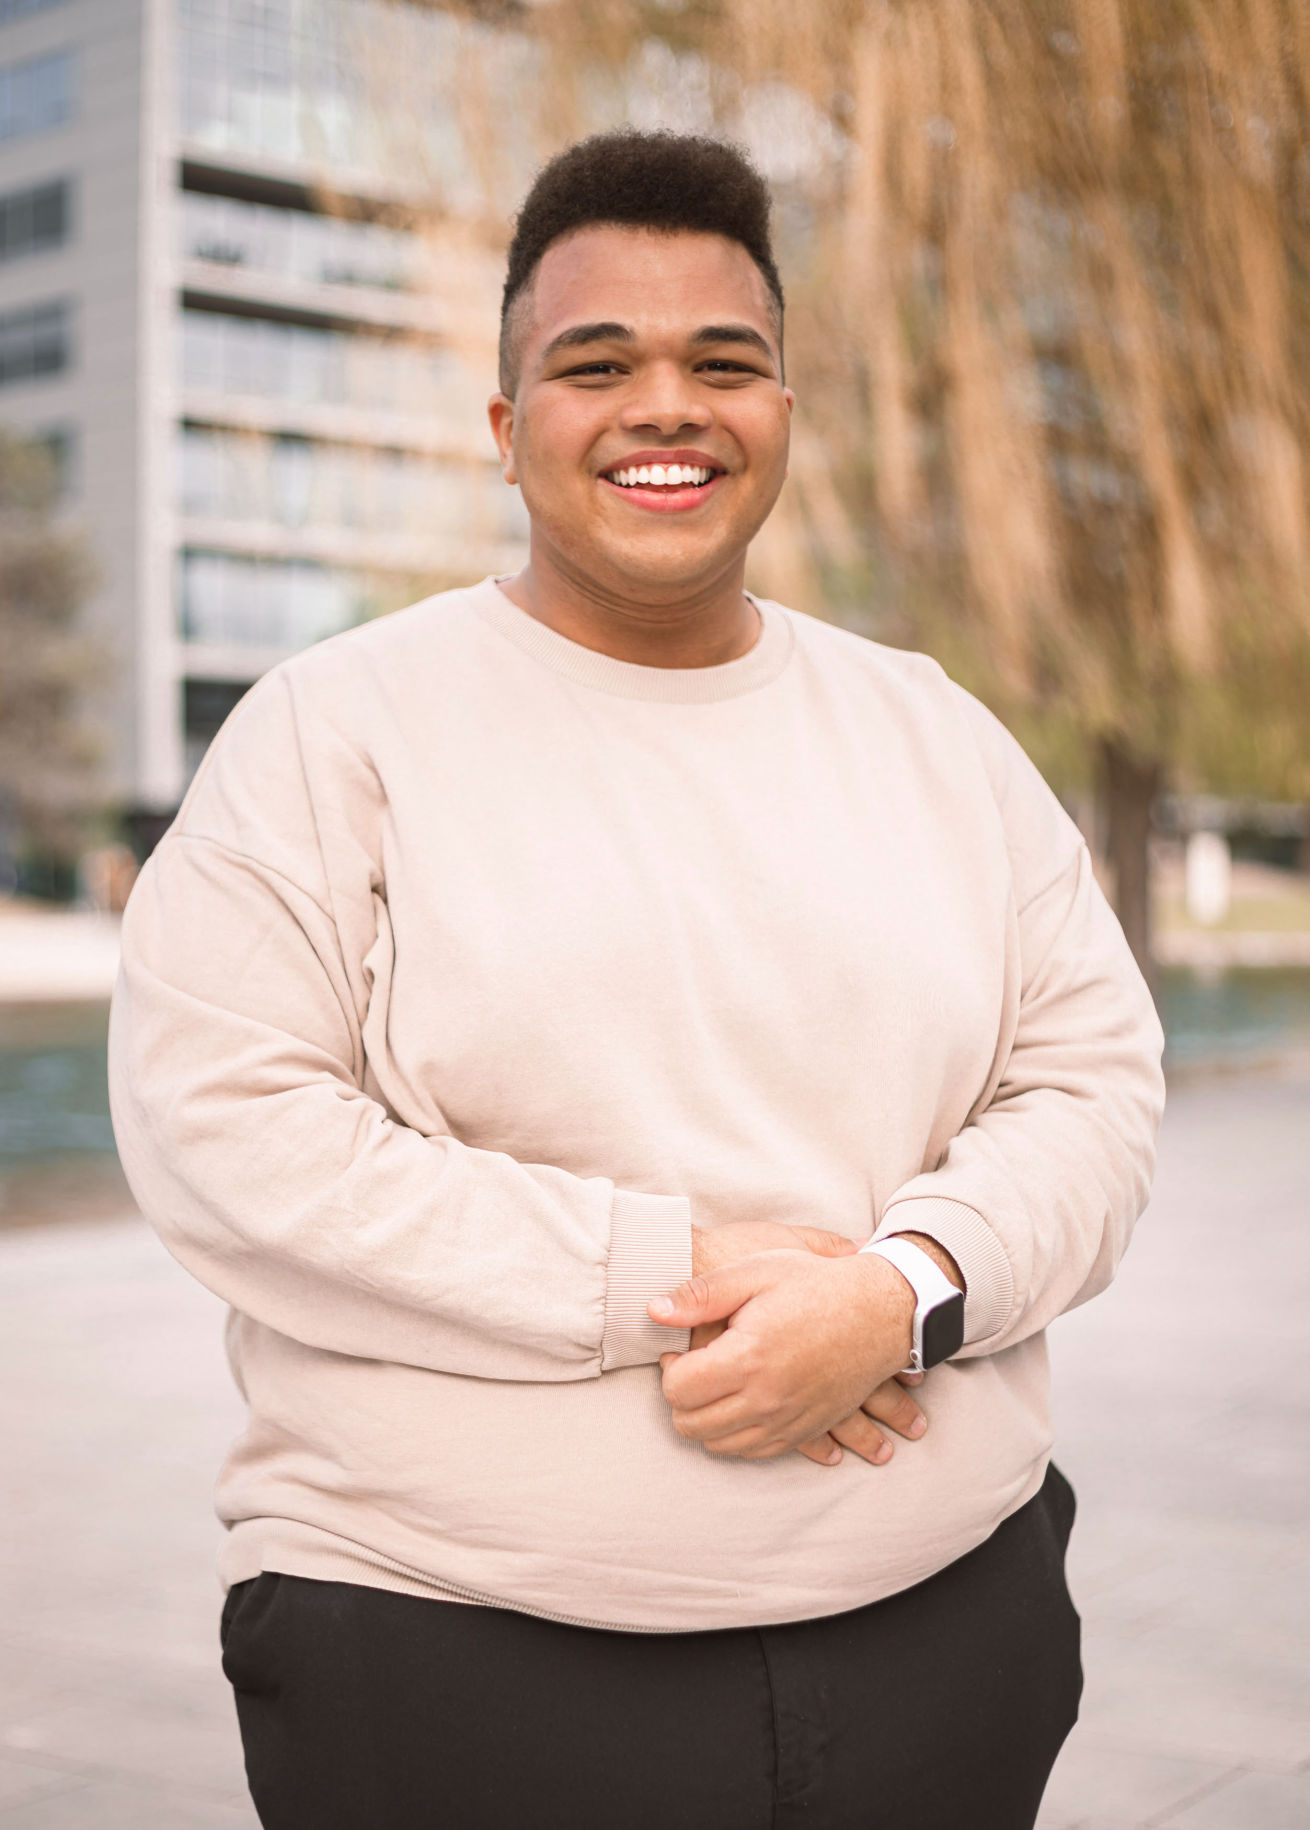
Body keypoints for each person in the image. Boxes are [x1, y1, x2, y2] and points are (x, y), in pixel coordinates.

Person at [108, 130, 1165, 1830]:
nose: (664, 405)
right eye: (595, 365)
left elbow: (1090, 1087)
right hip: (451, 1668)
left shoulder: (935, 733)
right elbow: (228, 1137)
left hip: (941, 1647)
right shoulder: (333, 732)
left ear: (781, 419)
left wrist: (899, 1290)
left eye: (720, 364)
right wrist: (657, 1271)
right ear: (509, 432)